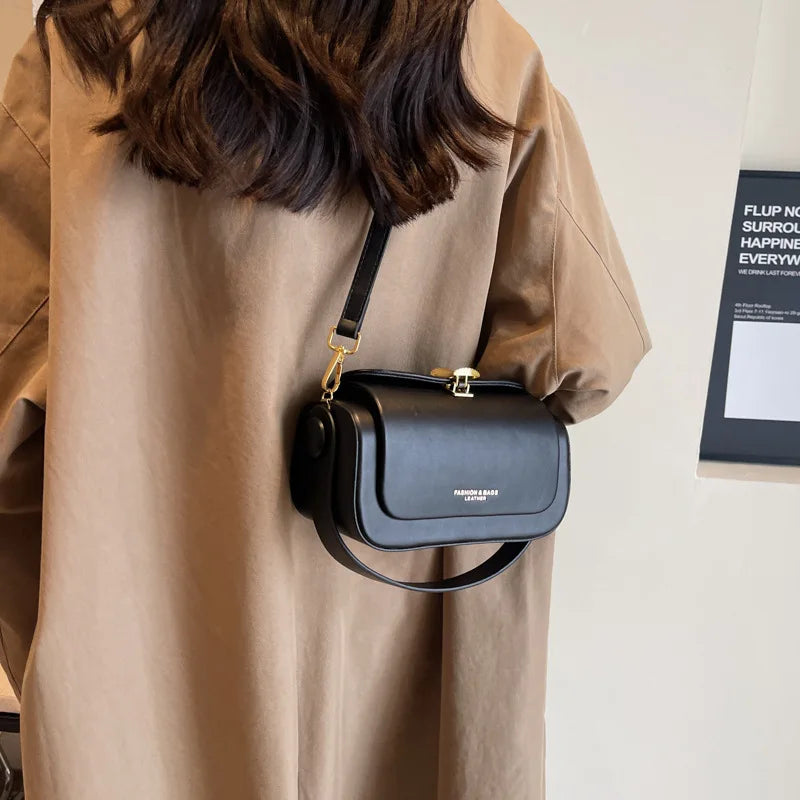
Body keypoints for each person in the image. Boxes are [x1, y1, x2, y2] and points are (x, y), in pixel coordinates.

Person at [0, 1, 650, 798]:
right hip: (398, 651)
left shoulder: (90, 47)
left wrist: (77, 640)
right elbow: (588, 355)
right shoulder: (487, 54)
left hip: (146, 685)